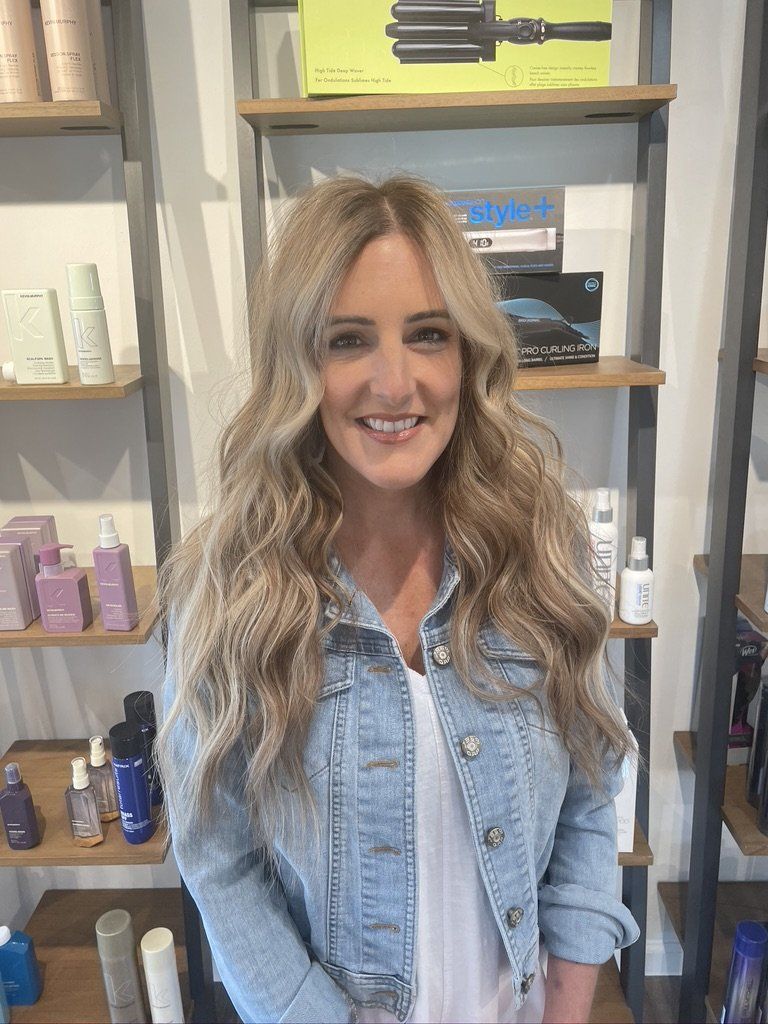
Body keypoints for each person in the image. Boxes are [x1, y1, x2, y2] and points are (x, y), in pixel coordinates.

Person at [155, 173, 642, 1024]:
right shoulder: (231, 588)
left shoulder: (541, 548)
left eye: (427, 334)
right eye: (349, 340)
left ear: (469, 352)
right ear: (299, 361)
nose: (394, 382)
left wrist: (566, 1010)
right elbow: (217, 861)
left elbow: (590, 795)